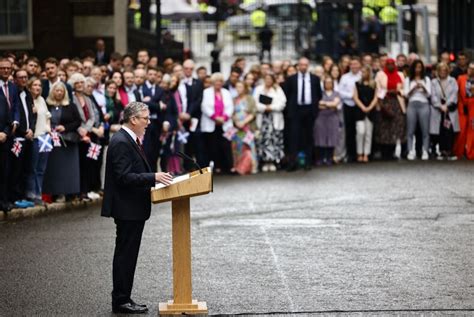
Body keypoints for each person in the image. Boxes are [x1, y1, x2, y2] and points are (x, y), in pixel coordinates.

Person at [101, 101, 173, 314]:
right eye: (145, 118)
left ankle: (124, 297)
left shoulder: (128, 138)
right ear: (133, 119)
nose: (149, 123)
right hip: (127, 209)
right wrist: (153, 177)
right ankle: (121, 300)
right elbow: (123, 177)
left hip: (132, 207)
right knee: (125, 255)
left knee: (128, 255)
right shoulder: (122, 141)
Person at [42, 82, 81, 201]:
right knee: (54, 168)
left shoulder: (71, 105)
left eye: (61, 91)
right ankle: (54, 192)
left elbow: (77, 121)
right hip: (52, 141)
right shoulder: (47, 105)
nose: (59, 93)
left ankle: (68, 192)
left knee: (67, 169)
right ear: (52, 92)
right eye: (56, 90)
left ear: (64, 93)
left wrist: (65, 127)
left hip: (67, 141)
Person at [284, 57, 322, 171]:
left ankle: (308, 162)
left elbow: (318, 94)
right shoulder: (291, 79)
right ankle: (293, 162)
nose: (303, 67)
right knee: (294, 137)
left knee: (308, 137)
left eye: (305, 65)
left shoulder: (315, 79)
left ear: (308, 65)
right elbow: (287, 94)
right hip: (296, 111)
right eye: (301, 65)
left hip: (309, 110)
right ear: (298, 66)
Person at [201, 72, 234, 174]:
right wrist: (215, 117)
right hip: (211, 123)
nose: (218, 83)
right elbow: (204, 106)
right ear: (212, 82)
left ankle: (228, 166)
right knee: (213, 146)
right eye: (216, 81)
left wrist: (224, 117)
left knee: (226, 145)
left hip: (225, 123)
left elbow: (230, 107)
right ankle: (216, 167)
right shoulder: (206, 92)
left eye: (220, 81)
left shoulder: (226, 92)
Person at [25, 78, 51, 205]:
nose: (38, 87)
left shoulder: (41, 100)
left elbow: (47, 116)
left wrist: (48, 129)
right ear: (29, 87)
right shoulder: (27, 100)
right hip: (34, 138)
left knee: (41, 168)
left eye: (39, 85)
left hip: (44, 137)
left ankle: (38, 193)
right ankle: (31, 193)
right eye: (35, 85)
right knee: (33, 167)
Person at [375, 58, 406, 160]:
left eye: (392, 64)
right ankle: (384, 152)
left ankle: (393, 152)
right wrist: (388, 92)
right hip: (385, 102)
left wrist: (397, 92)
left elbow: (403, 89)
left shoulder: (400, 75)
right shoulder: (380, 75)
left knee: (396, 128)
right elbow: (378, 89)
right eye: (388, 64)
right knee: (385, 128)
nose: (390, 66)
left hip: (397, 103)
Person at [254, 74, 287, 172]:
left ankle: (273, 161)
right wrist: (264, 108)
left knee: (274, 140)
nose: (268, 80)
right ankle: (264, 162)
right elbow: (254, 102)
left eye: (270, 79)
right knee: (263, 140)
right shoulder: (259, 89)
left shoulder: (277, 90)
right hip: (263, 119)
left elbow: (282, 103)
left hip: (274, 119)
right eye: (266, 79)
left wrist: (271, 107)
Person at [429, 62, 459, 160]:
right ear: (438, 71)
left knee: (449, 131)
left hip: (449, 110)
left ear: (448, 71)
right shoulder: (433, 82)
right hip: (437, 110)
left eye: (445, 70)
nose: (443, 72)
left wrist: (446, 105)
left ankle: (449, 151)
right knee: (439, 131)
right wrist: (439, 106)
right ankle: (441, 151)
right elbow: (432, 96)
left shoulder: (453, 81)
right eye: (441, 70)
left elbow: (454, 94)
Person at [404, 60, 431, 160]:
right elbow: (406, 94)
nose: (418, 70)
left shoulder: (426, 79)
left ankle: (425, 151)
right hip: (412, 104)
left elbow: (429, 94)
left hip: (424, 104)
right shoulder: (408, 80)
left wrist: (423, 87)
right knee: (410, 130)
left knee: (425, 130)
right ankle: (410, 151)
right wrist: (413, 88)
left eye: (419, 67)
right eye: (416, 67)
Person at [338, 57, 362, 162]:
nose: (354, 66)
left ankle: (360, 153)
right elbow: (340, 92)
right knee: (349, 130)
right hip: (348, 105)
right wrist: (352, 96)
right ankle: (351, 154)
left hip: (360, 106)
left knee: (360, 130)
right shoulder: (344, 77)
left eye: (356, 64)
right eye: (352, 64)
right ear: (350, 66)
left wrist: (357, 97)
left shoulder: (362, 76)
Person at [231, 81, 258, 175]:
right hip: (237, 128)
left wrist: (244, 122)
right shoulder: (234, 99)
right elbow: (231, 113)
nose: (238, 89)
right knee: (238, 147)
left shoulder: (250, 98)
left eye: (240, 87)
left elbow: (253, 112)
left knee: (250, 146)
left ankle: (253, 166)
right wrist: (236, 122)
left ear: (245, 88)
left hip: (248, 126)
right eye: (237, 87)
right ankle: (238, 166)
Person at [314, 77, 341, 165]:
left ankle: (329, 158)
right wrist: (330, 105)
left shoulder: (336, 93)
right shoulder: (319, 93)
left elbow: (335, 104)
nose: (328, 84)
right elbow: (317, 105)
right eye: (326, 83)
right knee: (320, 137)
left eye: (330, 83)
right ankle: (321, 158)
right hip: (321, 118)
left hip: (332, 118)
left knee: (332, 137)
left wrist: (324, 104)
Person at [353, 65, 378, 162]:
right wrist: (363, 107)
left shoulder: (374, 84)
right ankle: (359, 152)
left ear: (369, 73)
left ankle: (366, 154)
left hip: (370, 111)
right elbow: (355, 97)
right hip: (360, 111)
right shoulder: (357, 84)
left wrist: (370, 107)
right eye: (362, 72)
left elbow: (376, 97)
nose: (363, 74)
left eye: (365, 72)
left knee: (368, 133)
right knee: (360, 131)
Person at [453, 62, 474, 159]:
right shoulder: (461, 78)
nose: (471, 70)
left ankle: (470, 153)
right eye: (470, 68)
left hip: (473, 108)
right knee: (461, 130)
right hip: (462, 107)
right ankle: (458, 152)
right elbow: (456, 92)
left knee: (472, 131)